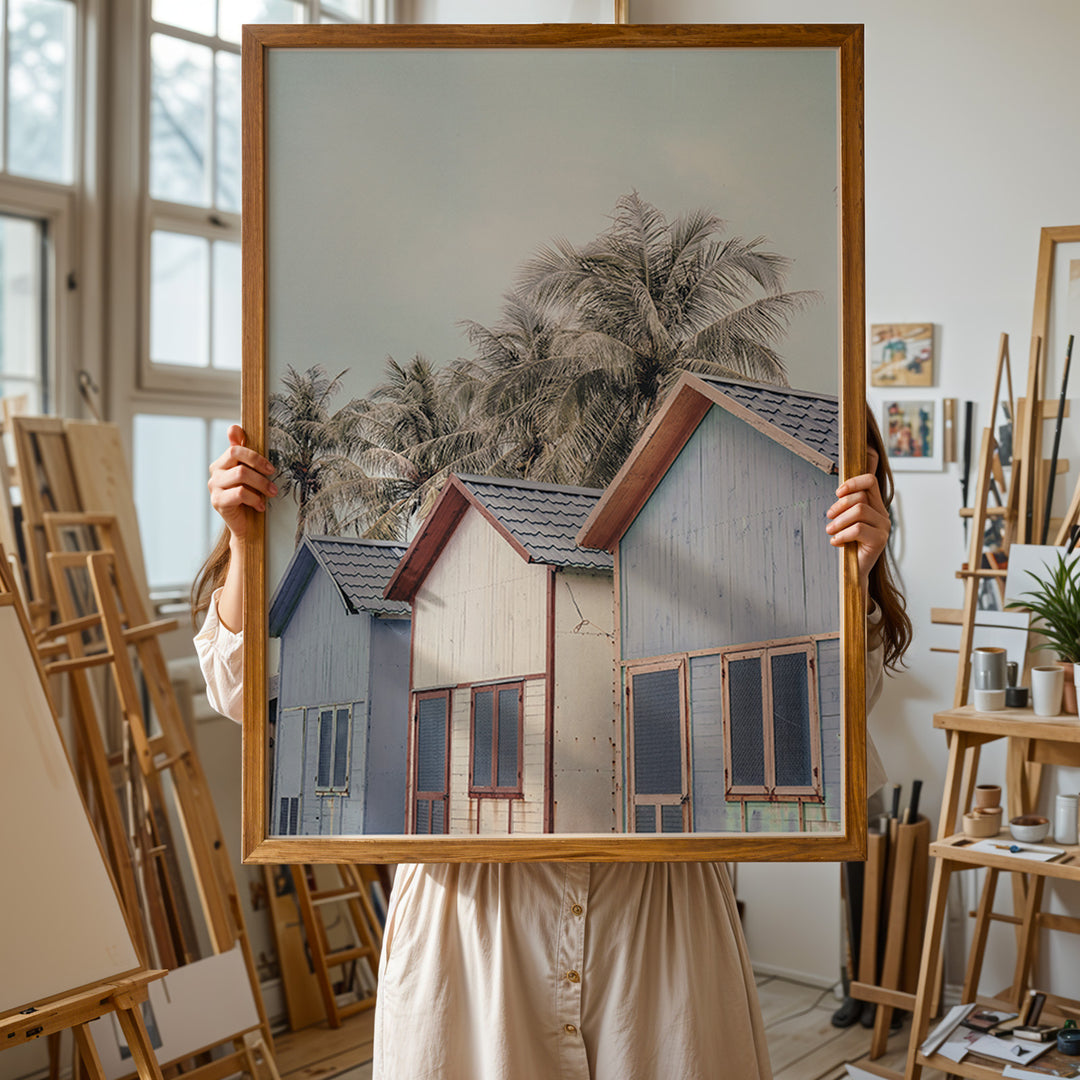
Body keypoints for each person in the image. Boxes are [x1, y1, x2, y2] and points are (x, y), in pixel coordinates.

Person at [193, 419, 910, 1080]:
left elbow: (829, 710)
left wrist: (854, 576)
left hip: (662, 912)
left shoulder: (686, 528)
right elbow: (241, 696)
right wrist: (247, 543)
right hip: (470, 920)